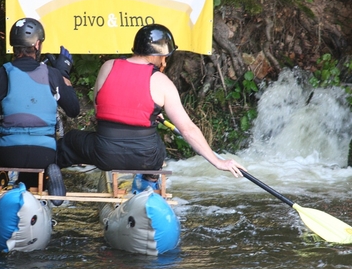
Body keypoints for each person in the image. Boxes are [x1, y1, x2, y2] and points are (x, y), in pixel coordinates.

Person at [56, 24, 246, 193]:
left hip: (104, 155)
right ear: (160, 56)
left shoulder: (108, 66)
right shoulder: (163, 83)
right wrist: (218, 162)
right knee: (158, 148)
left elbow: (100, 112)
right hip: (145, 159)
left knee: (71, 140)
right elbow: (188, 129)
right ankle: (148, 183)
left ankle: (47, 173)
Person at [0, 18, 80, 202]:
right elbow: (74, 110)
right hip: (43, 155)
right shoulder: (52, 75)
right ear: (37, 44)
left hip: (8, 155)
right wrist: (63, 75)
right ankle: (36, 187)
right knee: (47, 149)